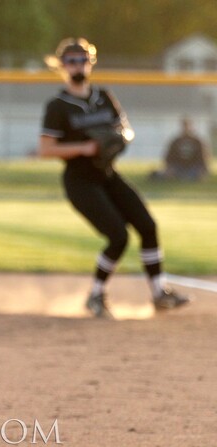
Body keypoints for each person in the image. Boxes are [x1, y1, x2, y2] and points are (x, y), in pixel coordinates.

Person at [38, 38, 190, 318]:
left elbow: (125, 129)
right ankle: (96, 295)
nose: (78, 65)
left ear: (91, 63)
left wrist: (117, 140)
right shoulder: (58, 106)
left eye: (83, 59)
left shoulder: (104, 97)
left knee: (147, 226)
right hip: (79, 181)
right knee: (118, 236)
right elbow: (45, 149)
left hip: (107, 174)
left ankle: (159, 293)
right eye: (71, 61)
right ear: (61, 66)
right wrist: (84, 147)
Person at [151, 117, 209, 182]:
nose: (186, 129)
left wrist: (203, 169)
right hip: (179, 168)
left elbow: (203, 157)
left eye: (187, 126)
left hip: (193, 168)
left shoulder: (197, 141)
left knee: (195, 175)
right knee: (167, 174)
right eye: (184, 126)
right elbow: (169, 157)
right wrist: (169, 168)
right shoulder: (175, 141)